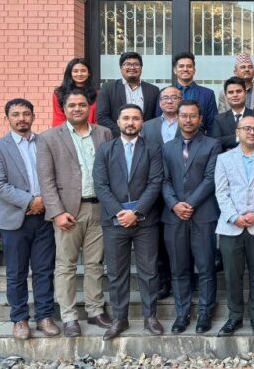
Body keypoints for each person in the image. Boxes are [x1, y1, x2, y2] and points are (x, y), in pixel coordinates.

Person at [37, 90, 113, 337]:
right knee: (66, 266)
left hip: (99, 208)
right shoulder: (49, 138)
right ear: (64, 108)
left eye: (82, 104)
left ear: (89, 107)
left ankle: (95, 311)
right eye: (72, 105)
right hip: (68, 211)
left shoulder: (104, 133)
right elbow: (46, 180)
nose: (77, 109)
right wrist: (57, 212)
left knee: (95, 264)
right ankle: (69, 316)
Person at [0, 98, 59, 340]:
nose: (21, 119)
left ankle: (45, 316)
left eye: (26, 114)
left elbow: (56, 176)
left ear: (33, 117)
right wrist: (30, 201)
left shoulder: (46, 143)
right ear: (7, 118)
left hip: (45, 217)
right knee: (16, 273)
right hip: (14, 220)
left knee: (44, 270)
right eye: (15, 114)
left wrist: (45, 202)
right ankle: (20, 319)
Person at [93, 104, 164, 340]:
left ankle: (150, 317)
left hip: (146, 221)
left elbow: (155, 182)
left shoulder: (152, 148)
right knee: (116, 273)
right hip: (114, 222)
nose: (130, 122)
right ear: (118, 121)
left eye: (135, 118)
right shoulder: (105, 149)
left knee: (149, 272)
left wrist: (137, 211)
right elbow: (100, 185)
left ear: (142, 122)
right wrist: (119, 212)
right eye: (126, 118)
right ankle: (119, 319)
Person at [161, 100, 222, 334]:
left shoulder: (212, 145)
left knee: (206, 267)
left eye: (193, 116)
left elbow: (210, 178)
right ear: (177, 118)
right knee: (179, 269)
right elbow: (163, 180)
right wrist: (175, 204)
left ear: (200, 119)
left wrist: (190, 203)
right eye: (184, 115)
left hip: (203, 214)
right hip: (174, 216)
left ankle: (205, 313)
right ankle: (182, 313)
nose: (188, 120)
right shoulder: (167, 147)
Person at [215, 116, 254, 336]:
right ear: (237, 132)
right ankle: (234, 317)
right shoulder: (224, 158)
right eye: (247, 128)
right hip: (231, 227)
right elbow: (221, 192)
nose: (251, 132)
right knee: (232, 276)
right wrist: (234, 216)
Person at [140, 85, 182, 300]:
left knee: (180, 239)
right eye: (165, 98)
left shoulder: (189, 122)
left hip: (181, 189)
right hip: (154, 190)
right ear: (159, 102)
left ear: (181, 100)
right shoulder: (148, 126)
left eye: (174, 97)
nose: (169, 101)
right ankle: (163, 281)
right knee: (157, 240)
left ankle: (183, 279)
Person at [96, 52, 160, 137]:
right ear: (121, 68)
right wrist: (124, 133)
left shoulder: (153, 90)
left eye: (136, 64)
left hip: (146, 139)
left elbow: (156, 118)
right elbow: (102, 117)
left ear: (141, 68)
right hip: (118, 139)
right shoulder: (108, 88)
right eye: (128, 64)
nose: (132, 67)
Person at [157, 52, 218, 135]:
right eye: (181, 66)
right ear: (175, 70)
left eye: (189, 66)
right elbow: (158, 120)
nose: (185, 69)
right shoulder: (164, 93)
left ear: (194, 70)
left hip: (198, 140)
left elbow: (212, 126)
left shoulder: (207, 94)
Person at [212, 77, 254, 151]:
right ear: (226, 96)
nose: (235, 95)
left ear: (245, 93)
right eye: (231, 92)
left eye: (238, 91)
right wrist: (240, 137)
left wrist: (227, 140)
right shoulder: (219, 119)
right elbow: (216, 141)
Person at [52, 58, 98, 126]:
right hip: (65, 131)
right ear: (70, 73)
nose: (79, 74)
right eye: (75, 71)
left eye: (83, 71)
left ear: (89, 73)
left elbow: (98, 119)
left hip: (91, 130)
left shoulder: (97, 94)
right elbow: (58, 119)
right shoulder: (59, 94)